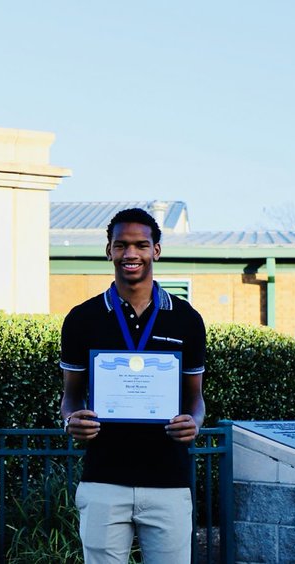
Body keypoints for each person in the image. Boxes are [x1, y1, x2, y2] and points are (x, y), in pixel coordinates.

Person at [59, 208, 207, 564]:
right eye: (121, 245)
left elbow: (196, 399)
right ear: (108, 250)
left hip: (169, 481)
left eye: (141, 245)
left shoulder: (186, 319)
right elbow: (70, 395)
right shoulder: (82, 318)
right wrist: (70, 421)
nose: (131, 254)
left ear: (156, 250)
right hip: (103, 480)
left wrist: (195, 423)